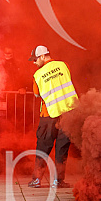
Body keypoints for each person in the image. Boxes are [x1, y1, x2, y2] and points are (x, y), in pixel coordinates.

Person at [27, 45, 79, 189]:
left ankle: (37, 180)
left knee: (43, 147)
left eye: (35, 59)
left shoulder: (38, 75)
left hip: (48, 114)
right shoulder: (64, 65)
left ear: (43, 56)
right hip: (68, 113)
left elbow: (37, 94)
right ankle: (58, 181)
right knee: (62, 148)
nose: (34, 63)